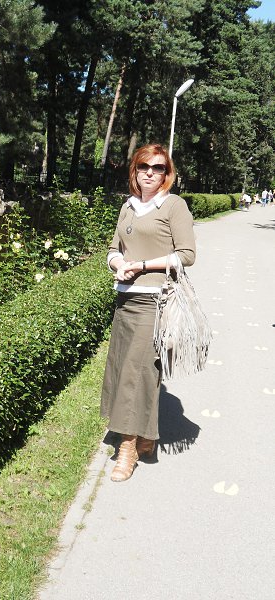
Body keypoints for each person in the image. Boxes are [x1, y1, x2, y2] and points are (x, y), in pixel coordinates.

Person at [101, 143, 196, 482]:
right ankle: (145, 437)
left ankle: (126, 449)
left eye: (158, 168)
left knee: (135, 372)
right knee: (127, 370)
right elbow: (113, 248)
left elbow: (186, 255)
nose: (150, 173)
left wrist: (142, 265)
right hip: (125, 300)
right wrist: (118, 263)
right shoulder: (128, 206)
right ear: (135, 171)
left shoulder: (173, 205)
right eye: (144, 166)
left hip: (155, 302)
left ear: (167, 173)